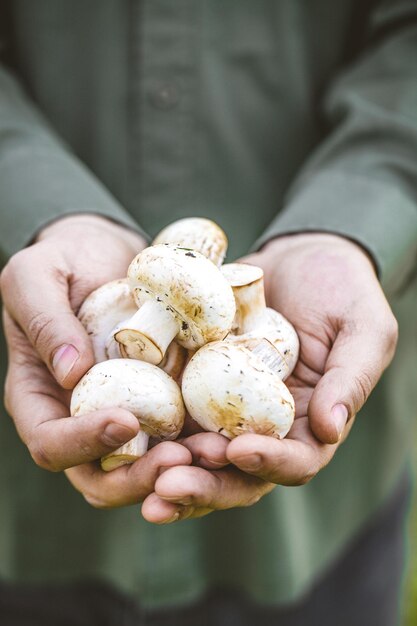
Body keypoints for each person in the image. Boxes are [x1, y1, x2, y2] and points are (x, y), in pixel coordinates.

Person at [0, 1, 416, 625]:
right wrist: (37, 206)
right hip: (28, 529)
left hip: (318, 541)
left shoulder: (247, 329)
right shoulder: (140, 308)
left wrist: (351, 227)